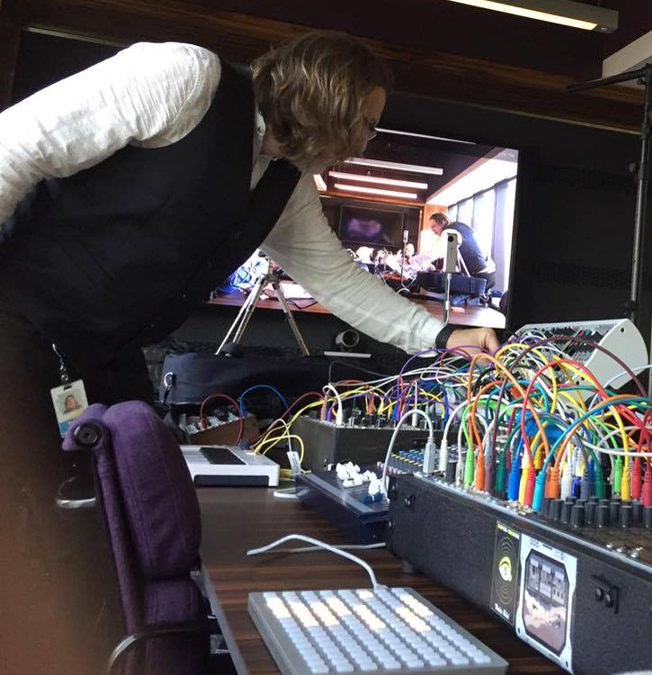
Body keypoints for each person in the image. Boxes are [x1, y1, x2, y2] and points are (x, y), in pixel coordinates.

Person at [0, 30, 497, 671]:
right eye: (366, 122)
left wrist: (441, 337)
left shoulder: (283, 183)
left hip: (100, 352)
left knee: (113, 521)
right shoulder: (185, 77)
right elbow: (18, 147)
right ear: (331, 101)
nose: (368, 138)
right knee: (25, 518)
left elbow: (338, 279)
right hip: (15, 320)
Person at [428, 212, 497, 288]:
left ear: (443, 222)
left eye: (434, 226)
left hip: (479, 277)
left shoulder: (450, 231)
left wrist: (415, 261)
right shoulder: (460, 227)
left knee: (454, 298)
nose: (433, 230)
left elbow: (435, 253)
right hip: (489, 274)